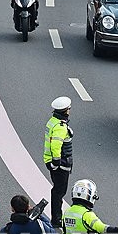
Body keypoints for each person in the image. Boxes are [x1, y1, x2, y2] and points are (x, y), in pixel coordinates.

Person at [44, 96, 73, 227]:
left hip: (51, 161)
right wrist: (56, 163)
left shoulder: (53, 121)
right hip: (60, 164)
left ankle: (56, 218)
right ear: (65, 111)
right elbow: (56, 146)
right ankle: (56, 219)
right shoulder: (61, 126)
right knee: (59, 191)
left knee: (57, 190)